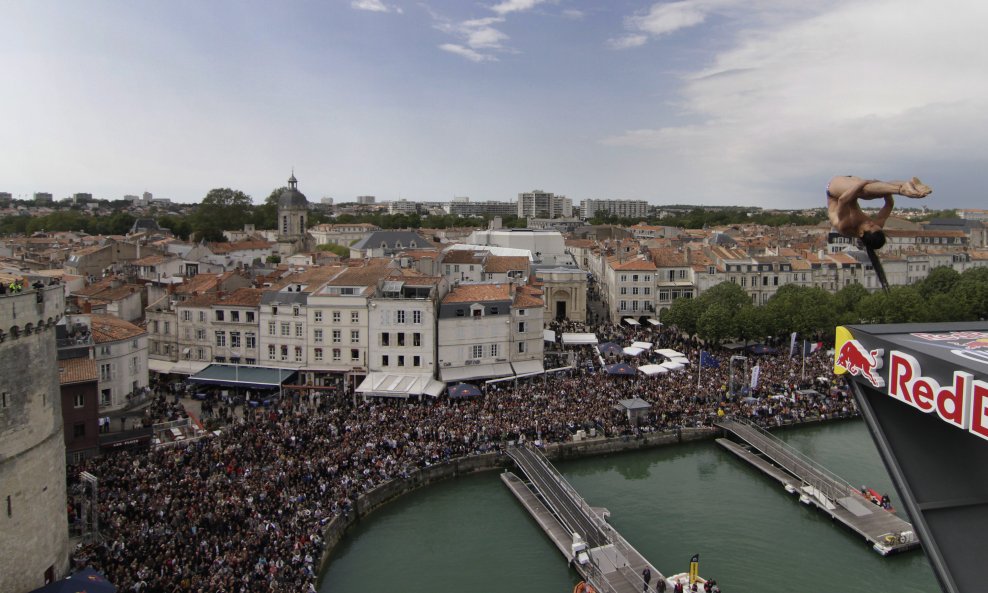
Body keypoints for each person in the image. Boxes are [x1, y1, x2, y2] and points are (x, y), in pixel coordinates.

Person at [827, 175, 931, 292]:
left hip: (834, 192)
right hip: (850, 188)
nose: (872, 222)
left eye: (870, 226)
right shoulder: (876, 226)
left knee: (865, 191)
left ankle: (903, 189)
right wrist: (884, 191)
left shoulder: (845, 226)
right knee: (872, 191)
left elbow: (843, 200)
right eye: (875, 225)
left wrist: (865, 182)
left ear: (861, 233)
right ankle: (911, 187)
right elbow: (889, 205)